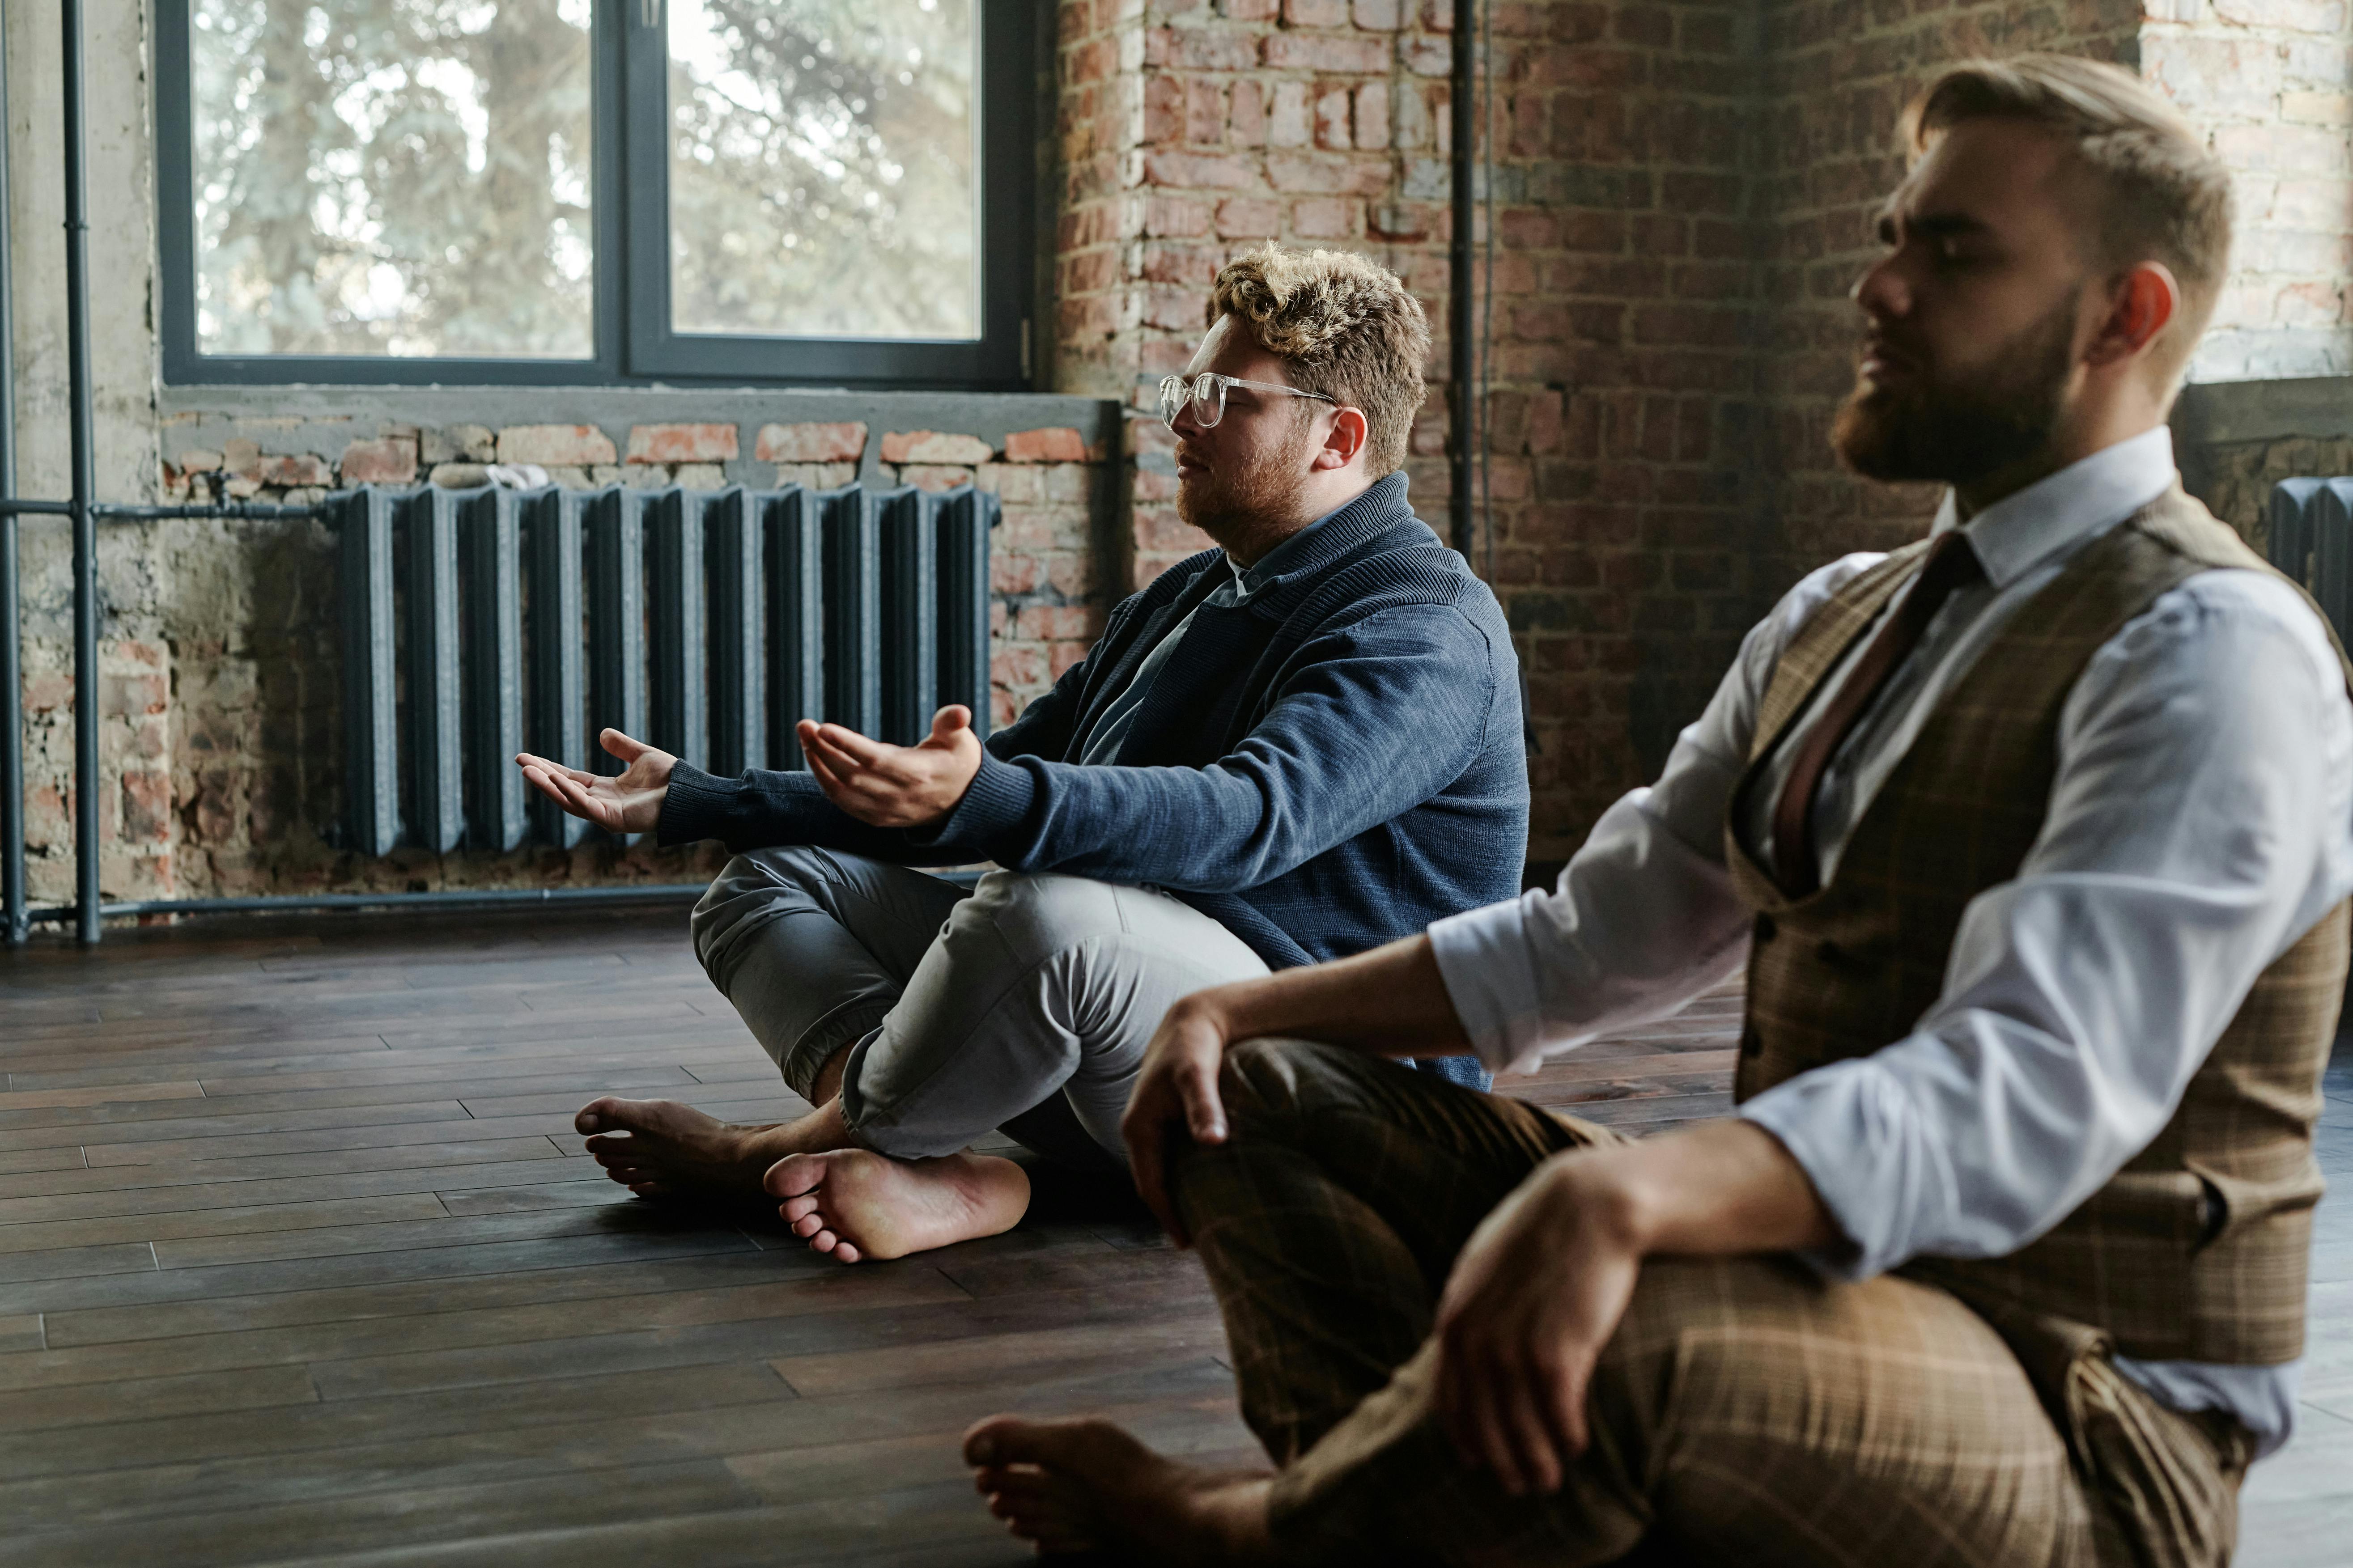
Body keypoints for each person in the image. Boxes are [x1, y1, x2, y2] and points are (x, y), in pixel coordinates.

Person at [960, 55, 2353, 1566]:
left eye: (1951, 252)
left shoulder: (2216, 646)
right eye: (1894, 236)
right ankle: (1411, 1519)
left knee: (1645, 1304)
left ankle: (1248, 1536)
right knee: (1264, 1093)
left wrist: (1628, 1201)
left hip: (2082, 1401)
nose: (1878, 290)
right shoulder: (1842, 611)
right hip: (1824, 1286)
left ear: (2123, 317)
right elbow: (1584, 940)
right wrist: (1237, 1013)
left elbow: (2026, 1087)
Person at [517, 246, 1527, 1264]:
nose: (1182, 417)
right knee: (768, 881)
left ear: (1336, 438)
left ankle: (775, 1156)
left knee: (1050, 914)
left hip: (1328, 1107)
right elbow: (975, 790)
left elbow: (1247, 817)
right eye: (1187, 388)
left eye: (1223, 396)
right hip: (1143, 1048)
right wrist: (694, 797)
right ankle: (918, 1153)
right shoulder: (1189, 596)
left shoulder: (1423, 626)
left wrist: (993, 796)